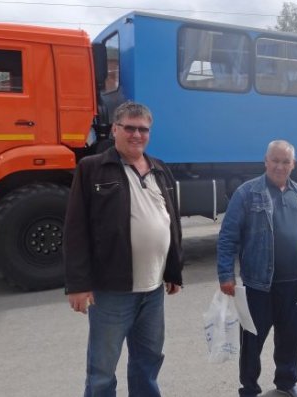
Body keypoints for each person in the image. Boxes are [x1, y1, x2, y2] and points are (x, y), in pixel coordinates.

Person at [64, 101, 183, 397]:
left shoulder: (160, 169)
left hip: (153, 291)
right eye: (130, 128)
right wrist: (78, 285)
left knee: (148, 361)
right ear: (115, 129)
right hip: (112, 291)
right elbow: (76, 230)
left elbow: (172, 223)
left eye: (143, 129)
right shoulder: (92, 169)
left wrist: (173, 272)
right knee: (102, 371)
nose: (137, 135)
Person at [217, 140, 297, 397]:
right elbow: (228, 236)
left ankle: (286, 382)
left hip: (293, 283)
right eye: (275, 160)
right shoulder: (247, 193)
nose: (279, 166)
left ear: (293, 164)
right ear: (266, 161)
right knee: (252, 341)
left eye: (285, 162)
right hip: (258, 285)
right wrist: (226, 274)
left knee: (291, 337)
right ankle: (249, 388)